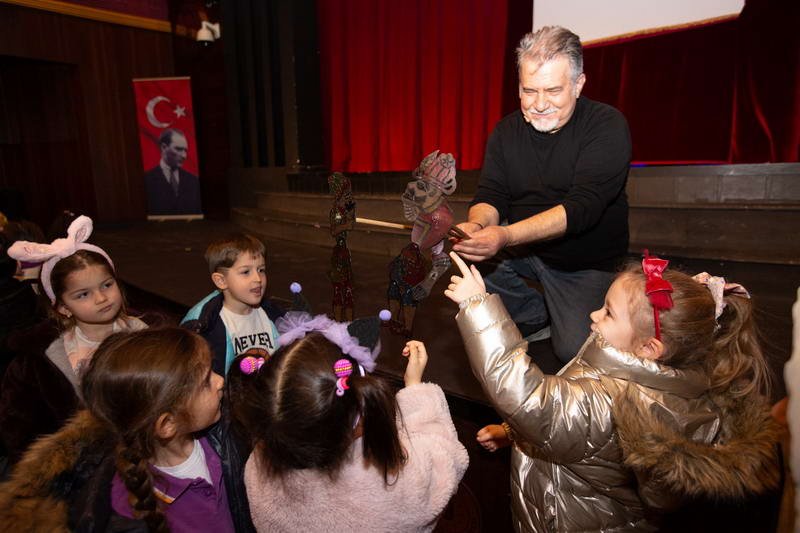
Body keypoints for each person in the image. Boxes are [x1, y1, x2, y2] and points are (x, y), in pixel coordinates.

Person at [445, 250, 780, 531]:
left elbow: (532, 400)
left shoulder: (611, 399)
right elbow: (579, 431)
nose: (593, 314)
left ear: (649, 348)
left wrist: (478, 306)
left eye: (608, 312)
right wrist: (514, 432)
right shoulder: (677, 377)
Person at [452, 26, 631, 363]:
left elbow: (582, 209)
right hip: (526, 250)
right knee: (469, 256)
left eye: (553, 90)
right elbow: (492, 193)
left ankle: (561, 308)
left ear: (578, 85)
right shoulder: (506, 131)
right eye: (528, 91)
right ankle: (534, 312)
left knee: (574, 354)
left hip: (585, 263)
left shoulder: (606, 125)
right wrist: (477, 227)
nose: (539, 104)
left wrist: (504, 235)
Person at [227, 311, 469, 532]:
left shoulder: (258, 468)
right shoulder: (392, 487)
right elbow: (444, 459)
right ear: (357, 407)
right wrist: (416, 390)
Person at [0, 328, 245, 532]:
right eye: (205, 382)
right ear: (167, 424)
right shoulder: (125, 512)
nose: (220, 380)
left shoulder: (226, 432)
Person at [0, 215, 148, 467]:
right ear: (63, 308)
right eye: (83, 294)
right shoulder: (46, 358)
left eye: (107, 285)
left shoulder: (144, 335)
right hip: (81, 469)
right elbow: (22, 431)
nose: (102, 298)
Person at [182, 233, 285, 375]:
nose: (258, 279)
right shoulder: (205, 327)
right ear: (221, 281)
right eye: (246, 272)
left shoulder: (273, 314)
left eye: (261, 270)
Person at [144, 128, 202, 215]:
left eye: (185, 150)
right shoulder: (146, 180)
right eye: (178, 149)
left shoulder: (194, 181)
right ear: (163, 147)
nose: (184, 156)